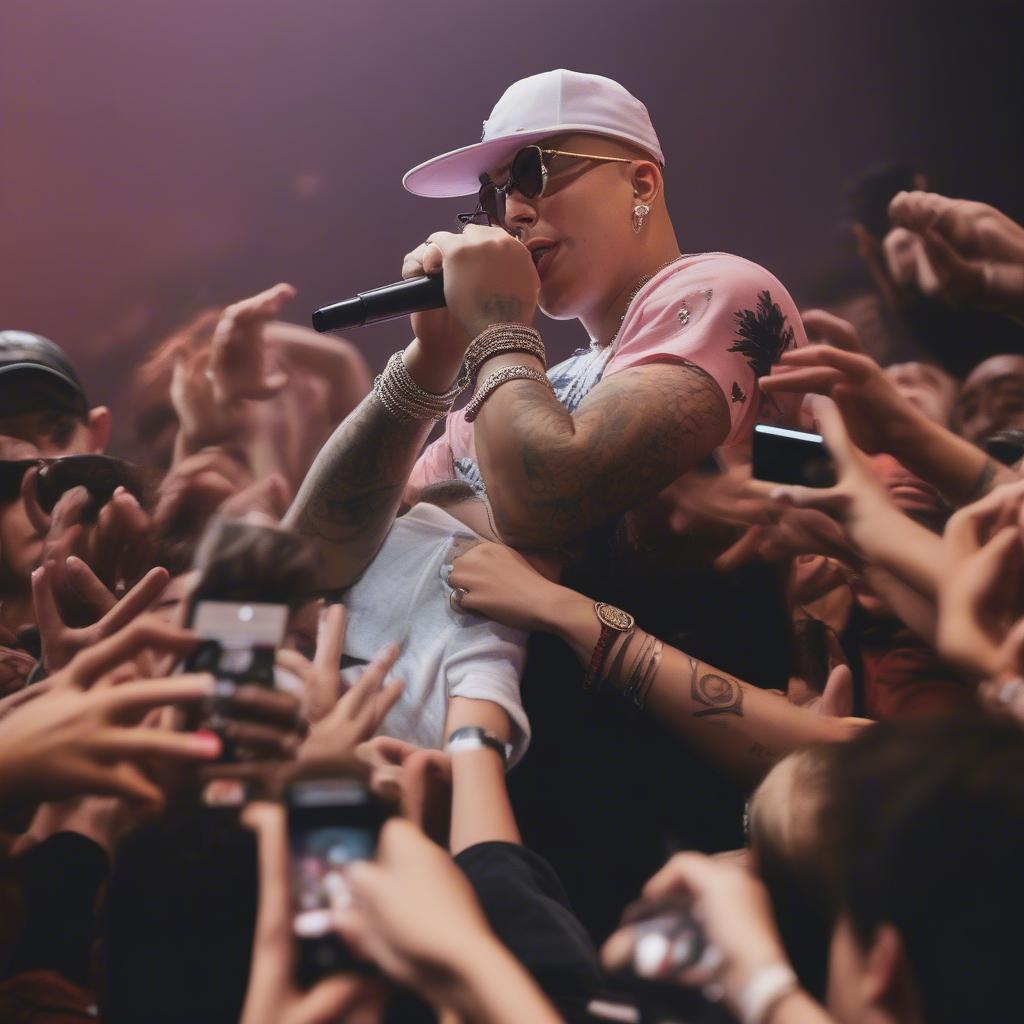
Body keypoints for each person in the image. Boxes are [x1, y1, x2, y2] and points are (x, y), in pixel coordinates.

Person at [286, 68, 810, 936]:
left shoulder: (723, 290)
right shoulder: (533, 380)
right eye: (494, 197)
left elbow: (545, 502)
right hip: (547, 823)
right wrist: (424, 367)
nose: (511, 214)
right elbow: (312, 560)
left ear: (641, 182)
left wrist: (496, 329)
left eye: (533, 174)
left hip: (689, 828)